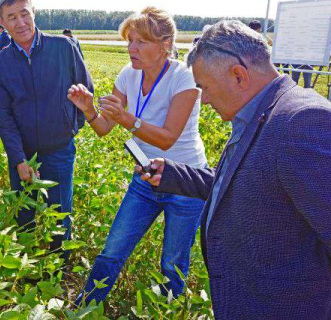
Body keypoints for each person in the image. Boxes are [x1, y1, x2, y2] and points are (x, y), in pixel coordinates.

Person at [141, 20, 331, 319]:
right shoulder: (261, 111)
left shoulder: (301, 121)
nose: (203, 99)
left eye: (204, 87)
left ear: (238, 76)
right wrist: (177, 176)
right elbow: (245, 183)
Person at [71, 7, 207, 305]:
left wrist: (127, 119)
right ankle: (84, 307)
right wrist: (89, 109)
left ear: (165, 44)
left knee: (172, 263)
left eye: (141, 41)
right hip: (145, 178)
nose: (131, 48)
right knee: (113, 250)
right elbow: (105, 127)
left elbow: (168, 138)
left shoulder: (183, 78)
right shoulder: (128, 74)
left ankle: (164, 309)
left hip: (185, 182)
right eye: (129, 40)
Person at [0, 0, 93, 259]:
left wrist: (68, 128)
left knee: (60, 214)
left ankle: (59, 270)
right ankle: (28, 271)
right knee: (25, 214)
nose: (20, 22)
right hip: (23, 155)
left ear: (34, 11)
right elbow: (4, 117)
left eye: (24, 13)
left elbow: (86, 92)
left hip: (60, 150)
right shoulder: (0, 64)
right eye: (11, 17)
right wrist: (18, 159)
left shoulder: (64, 48)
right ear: (2, 23)